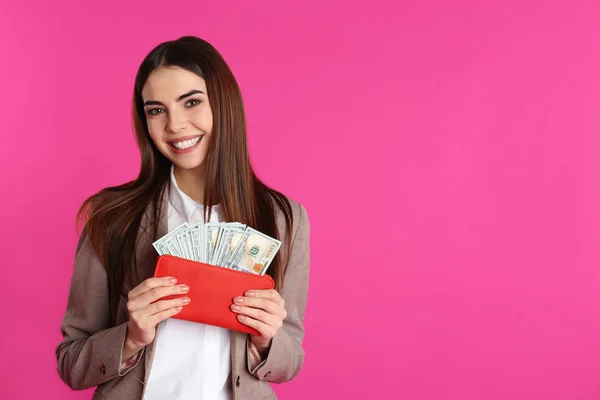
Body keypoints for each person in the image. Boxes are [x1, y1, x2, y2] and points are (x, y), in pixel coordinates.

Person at [55, 35, 310, 400]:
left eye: (191, 102)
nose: (175, 125)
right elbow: (71, 362)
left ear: (224, 103)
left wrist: (267, 339)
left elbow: (290, 360)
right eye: (156, 110)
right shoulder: (112, 217)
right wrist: (130, 337)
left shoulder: (286, 219)